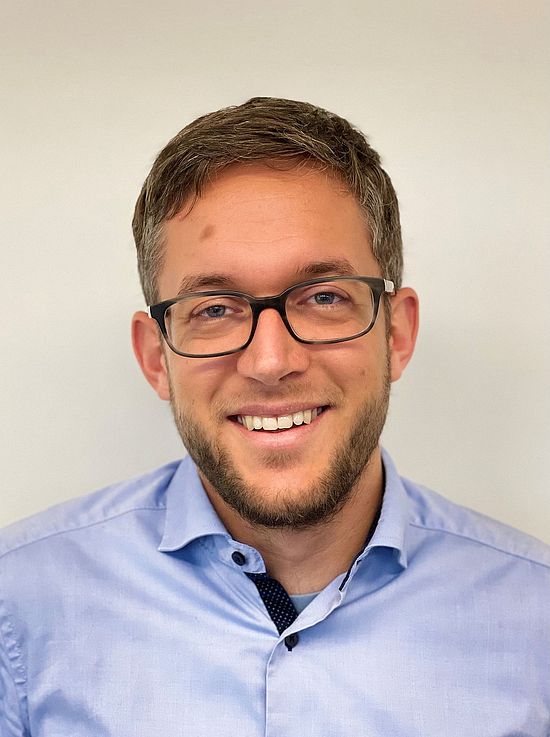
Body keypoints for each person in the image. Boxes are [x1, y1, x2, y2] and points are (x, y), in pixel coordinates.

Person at [1, 98, 548, 737]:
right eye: (214, 308)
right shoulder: (18, 608)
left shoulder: (536, 619)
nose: (270, 361)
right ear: (155, 358)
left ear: (396, 335)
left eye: (324, 297)